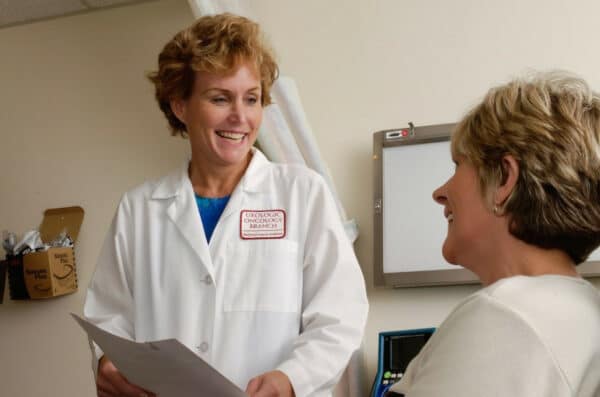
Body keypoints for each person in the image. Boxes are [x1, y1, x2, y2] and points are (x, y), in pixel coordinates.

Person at [83, 13, 368, 397]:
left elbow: (340, 316)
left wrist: (291, 379)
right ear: (180, 106)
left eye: (251, 99)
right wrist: (107, 362)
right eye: (220, 98)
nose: (240, 116)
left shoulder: (303, 194)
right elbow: (109, 317)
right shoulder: (139, 209)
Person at [388, 72, 600, 397]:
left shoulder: (506, 318)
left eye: (458, 165)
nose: (439, 193)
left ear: (504, 179)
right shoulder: (579, 308)